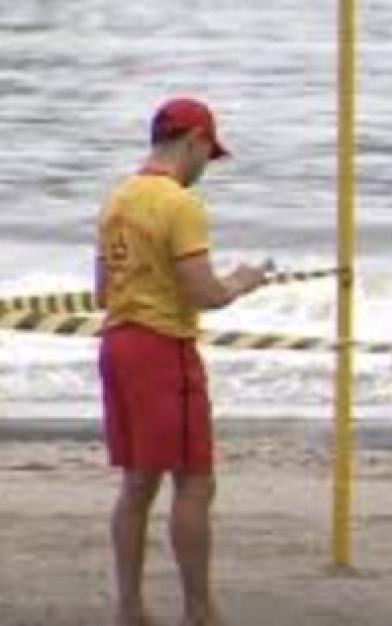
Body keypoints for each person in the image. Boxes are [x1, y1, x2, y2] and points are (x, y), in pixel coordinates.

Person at [95, 97, 267, 626]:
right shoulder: (179, 204)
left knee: (137, 482)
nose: (204, 167)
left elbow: (102, 291)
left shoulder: (118, 198)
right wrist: (241, 282)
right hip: (162, 347)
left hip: (117, 344)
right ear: (193, 141)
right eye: (206, 155)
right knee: (194, 480)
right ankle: (199, 609)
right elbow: (203, 293)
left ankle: (129, 606)